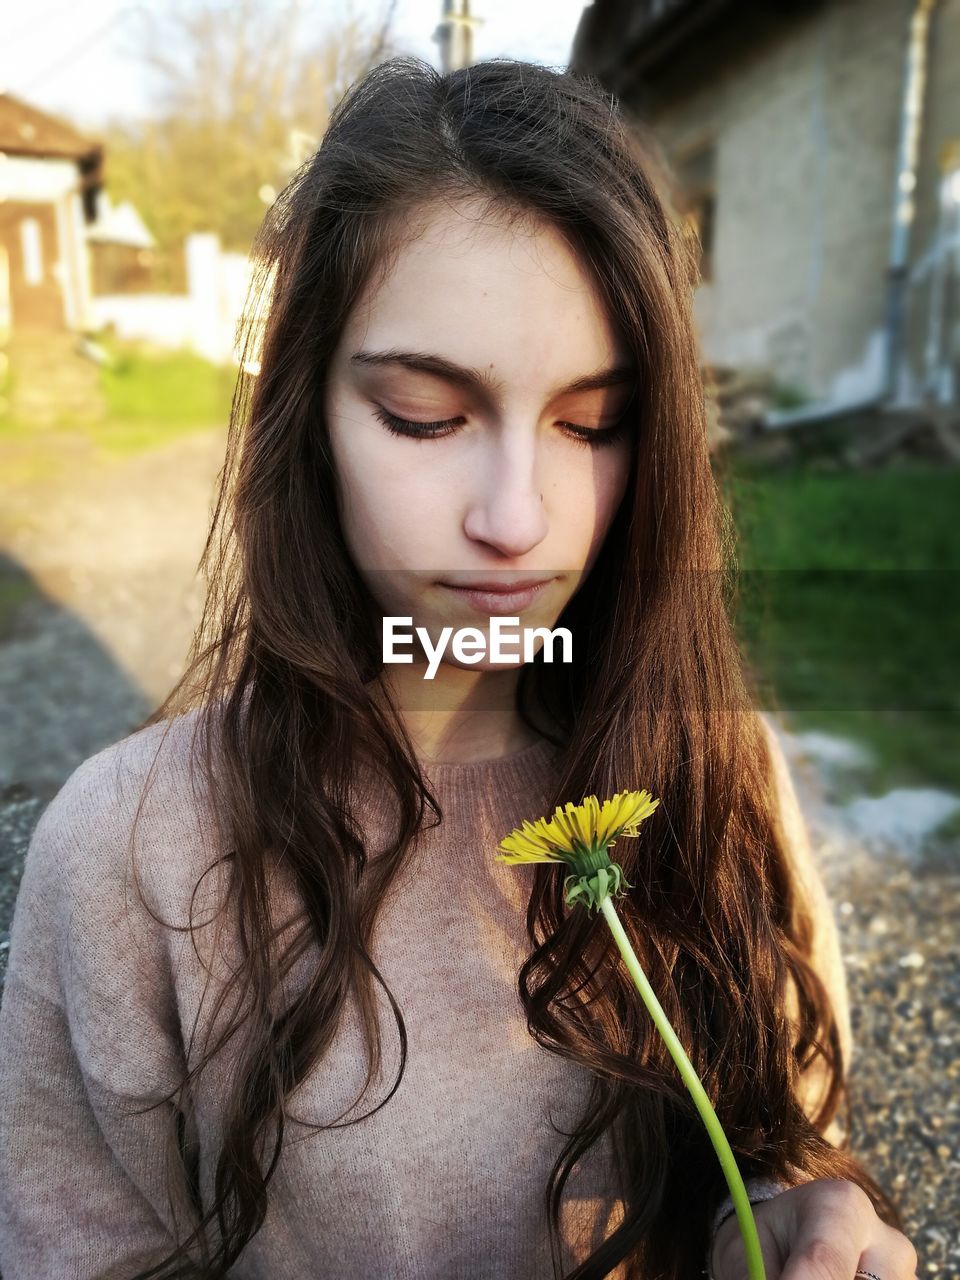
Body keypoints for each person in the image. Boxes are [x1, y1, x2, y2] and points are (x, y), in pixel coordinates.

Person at [0, 55, 916, 1280]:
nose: (517, 518)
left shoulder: (713, 759)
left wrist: (798, 1202)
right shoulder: (125, 845)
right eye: (427, 415)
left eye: (593, 424)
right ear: (305, 410)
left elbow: (791, 1124)